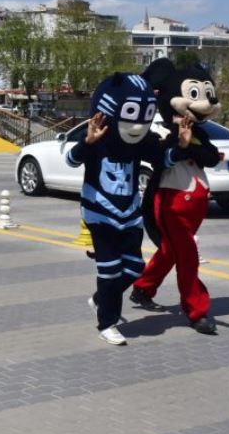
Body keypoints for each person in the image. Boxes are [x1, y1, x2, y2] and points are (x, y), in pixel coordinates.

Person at [66, 72, 190, 346]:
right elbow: (71, 160)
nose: (135, 123)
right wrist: (87, 143)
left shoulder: (139, 143)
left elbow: (163, 159)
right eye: (130, 111)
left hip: (130, 213)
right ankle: (107, 323)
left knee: (134, 267)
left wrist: (181, 145)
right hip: (100, 211)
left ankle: (101, 298)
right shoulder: (99, 138)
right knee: (109, 269)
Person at [132, 59, 222, 334]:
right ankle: (196, 309)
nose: (205, 103)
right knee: (187, 255)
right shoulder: (162, 130)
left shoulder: (200, 133)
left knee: (172, 251)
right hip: (171, 203)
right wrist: (181, 145)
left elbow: (210, 157)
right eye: (194, 94)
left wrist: (191, 144)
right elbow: (163, 157)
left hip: (195, 202)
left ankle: (143, 289)